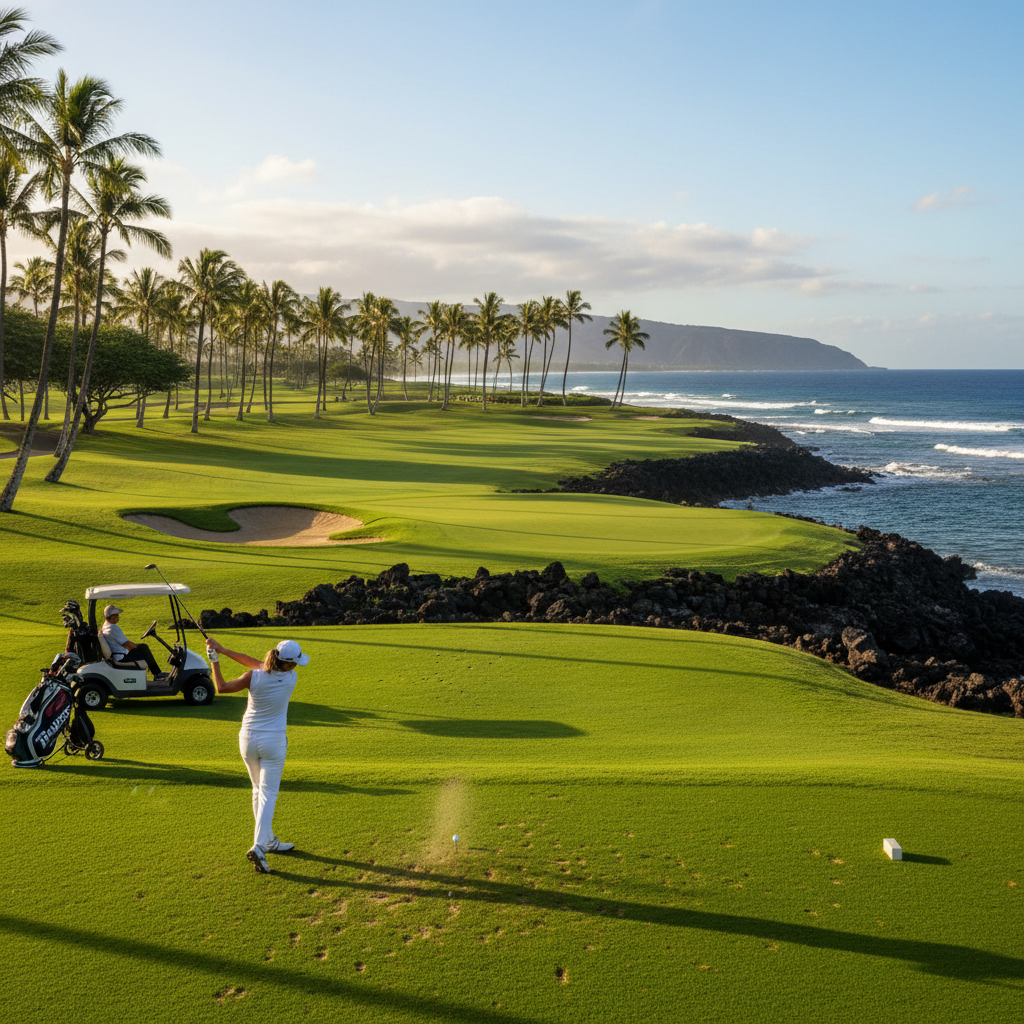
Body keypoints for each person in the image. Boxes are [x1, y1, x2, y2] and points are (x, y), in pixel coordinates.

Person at [205, 636, 310, 874]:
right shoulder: (291, 677)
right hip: (273, 742)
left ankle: (269, 840)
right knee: (268, 793)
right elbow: (257, 664)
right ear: (291, 664)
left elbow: (221, 687)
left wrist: (216, 659)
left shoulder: (253, 676)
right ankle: (260, 846)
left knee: (257, 790)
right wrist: (223, 650)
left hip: (247, 740)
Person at [99, 605, 165, 677]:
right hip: (121, 658)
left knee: (142, 647)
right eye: (117, 615)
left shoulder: (105, 626)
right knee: (144, 648)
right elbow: (128, 645)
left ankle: (157, 673)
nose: (118, 617)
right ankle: (157, 674)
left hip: (118, 654)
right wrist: (138, 650)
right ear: (112, 617)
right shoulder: (113, 628)